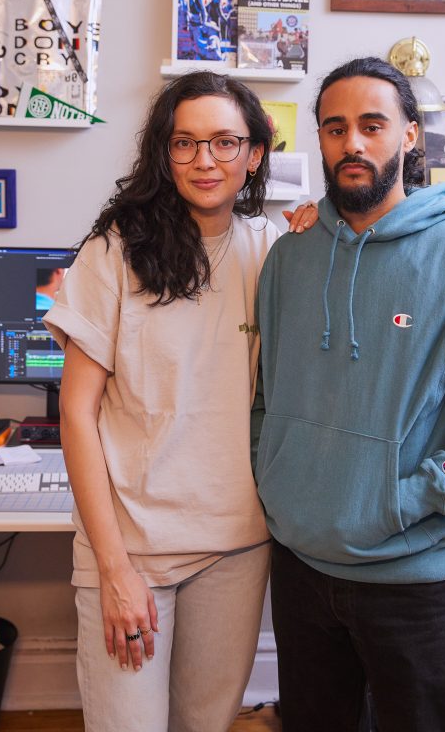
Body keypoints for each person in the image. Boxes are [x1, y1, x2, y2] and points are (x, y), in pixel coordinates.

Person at [252, 56, 445, 732]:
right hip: (298, 568)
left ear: (409, 135)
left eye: (371, 125)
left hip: (413, 580)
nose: (351, 143)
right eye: (334, 127)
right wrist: (275, 479)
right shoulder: (288, 258)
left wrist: (397, 501)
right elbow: (265, 397)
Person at [43, 71, 316, 732]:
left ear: (255, 154)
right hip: (131, 545)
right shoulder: (114, 252)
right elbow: (76, 414)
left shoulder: (275, 252)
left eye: (225, 143)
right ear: (162, 154)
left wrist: (321, 237)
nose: (204, 161)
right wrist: (113, 570)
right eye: (185, 143)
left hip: (237, 545)